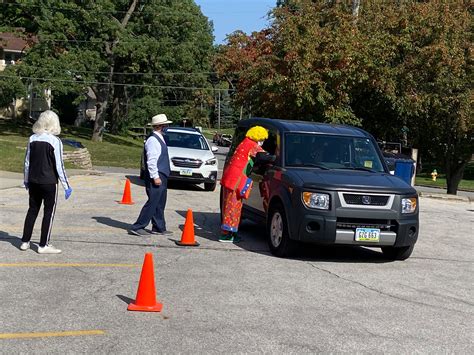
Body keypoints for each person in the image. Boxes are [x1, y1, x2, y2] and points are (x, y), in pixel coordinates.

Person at [21, 110, 72, 254]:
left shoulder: (32, 139)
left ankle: (25, 241)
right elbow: (59, 166)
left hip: (33, 181)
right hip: (49, 182)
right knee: (48, 212)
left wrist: (26, 180)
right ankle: (44, 245)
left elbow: (27, 162)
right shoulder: (55, 141)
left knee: (32, 210)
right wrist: (66, 185)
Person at [219, 126, 270, 243]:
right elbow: (265, 156)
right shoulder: (252, 145)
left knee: (228, 206)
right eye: (263, 139)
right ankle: (227, 234)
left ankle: (229, 232)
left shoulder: (244, 143)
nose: (263, 142)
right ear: (258, 137)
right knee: (233, 207)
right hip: (235, 181)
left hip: (230, 179)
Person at [129, 114, 174, 236]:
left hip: (162, 174)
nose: (167, 127)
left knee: (160, 202)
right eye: (166, 125)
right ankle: (138, 226)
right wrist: (155, 176)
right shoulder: (153, 140)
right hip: (157, 175)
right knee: (153, 202)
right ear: (160, 126)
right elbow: (151, 160)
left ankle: (159, 227)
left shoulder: (160, 138)